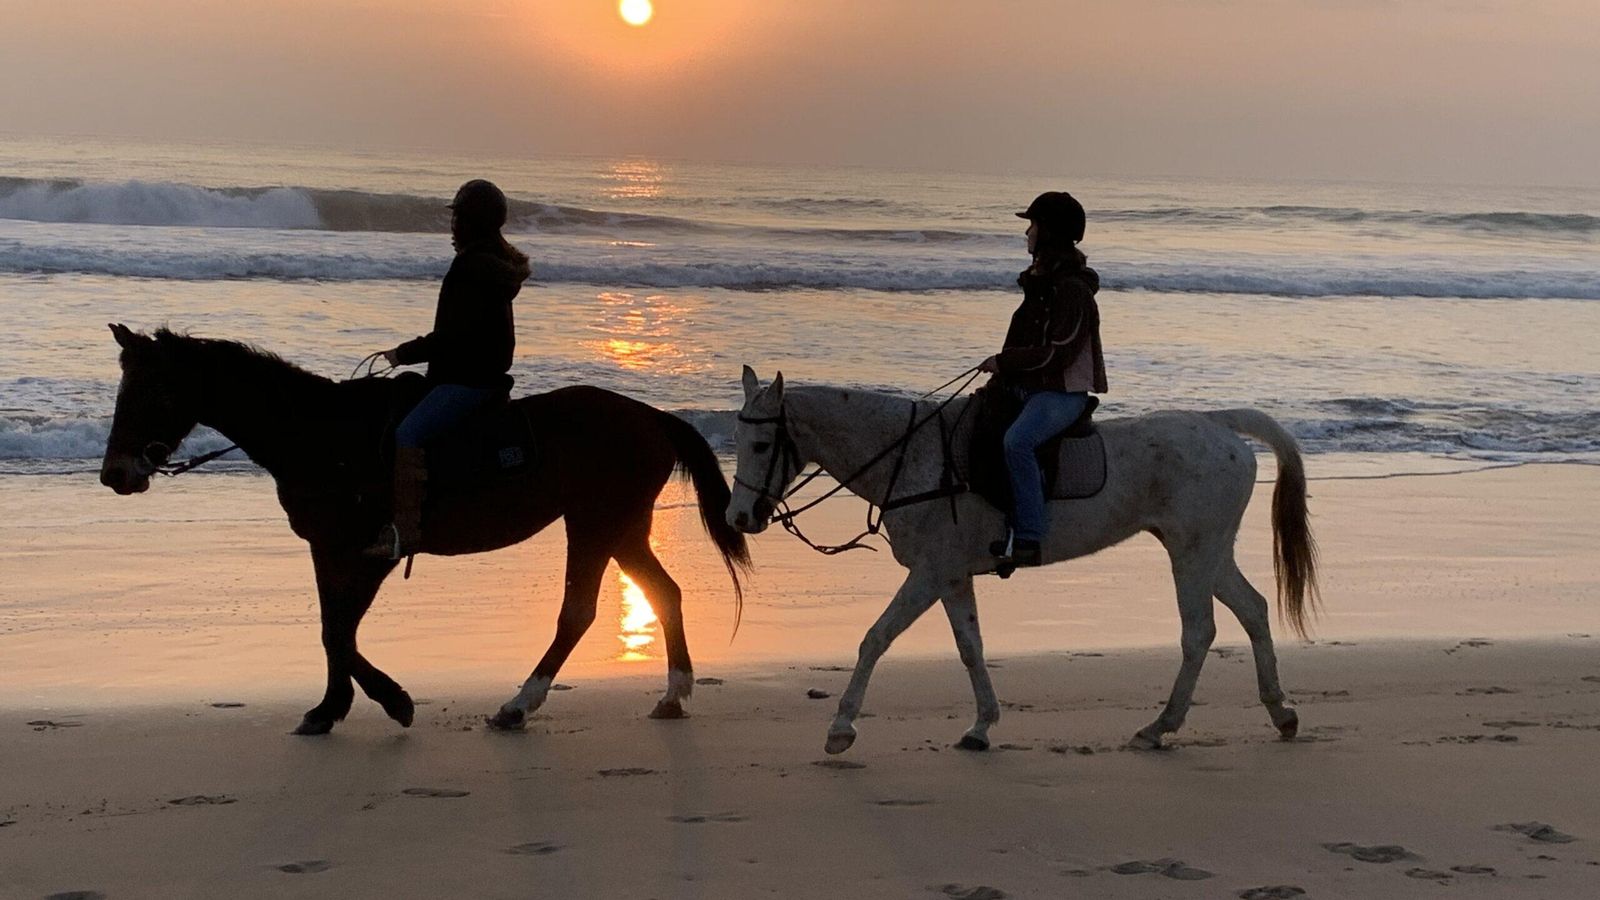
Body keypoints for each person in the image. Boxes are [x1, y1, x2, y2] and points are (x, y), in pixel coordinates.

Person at [364, 179, 532, 559]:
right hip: (484, 377)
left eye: (458, 218)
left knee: (408, 433)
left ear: (472, 223)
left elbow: (452, 336)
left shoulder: (470, 267)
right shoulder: (493, 265)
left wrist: (402, 353)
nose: (453, 227)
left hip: (468, 380)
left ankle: (404, 531)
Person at [978, 190, 1107, 568]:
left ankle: (1030, 536)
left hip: (1062, 393)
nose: (1027, 233)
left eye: (1032, 225)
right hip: (1031, 387)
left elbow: (1059, 352)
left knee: (1018, 442)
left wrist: (1005, 362)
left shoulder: (1072, 291)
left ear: (1048, 233)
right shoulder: (1041, 286)